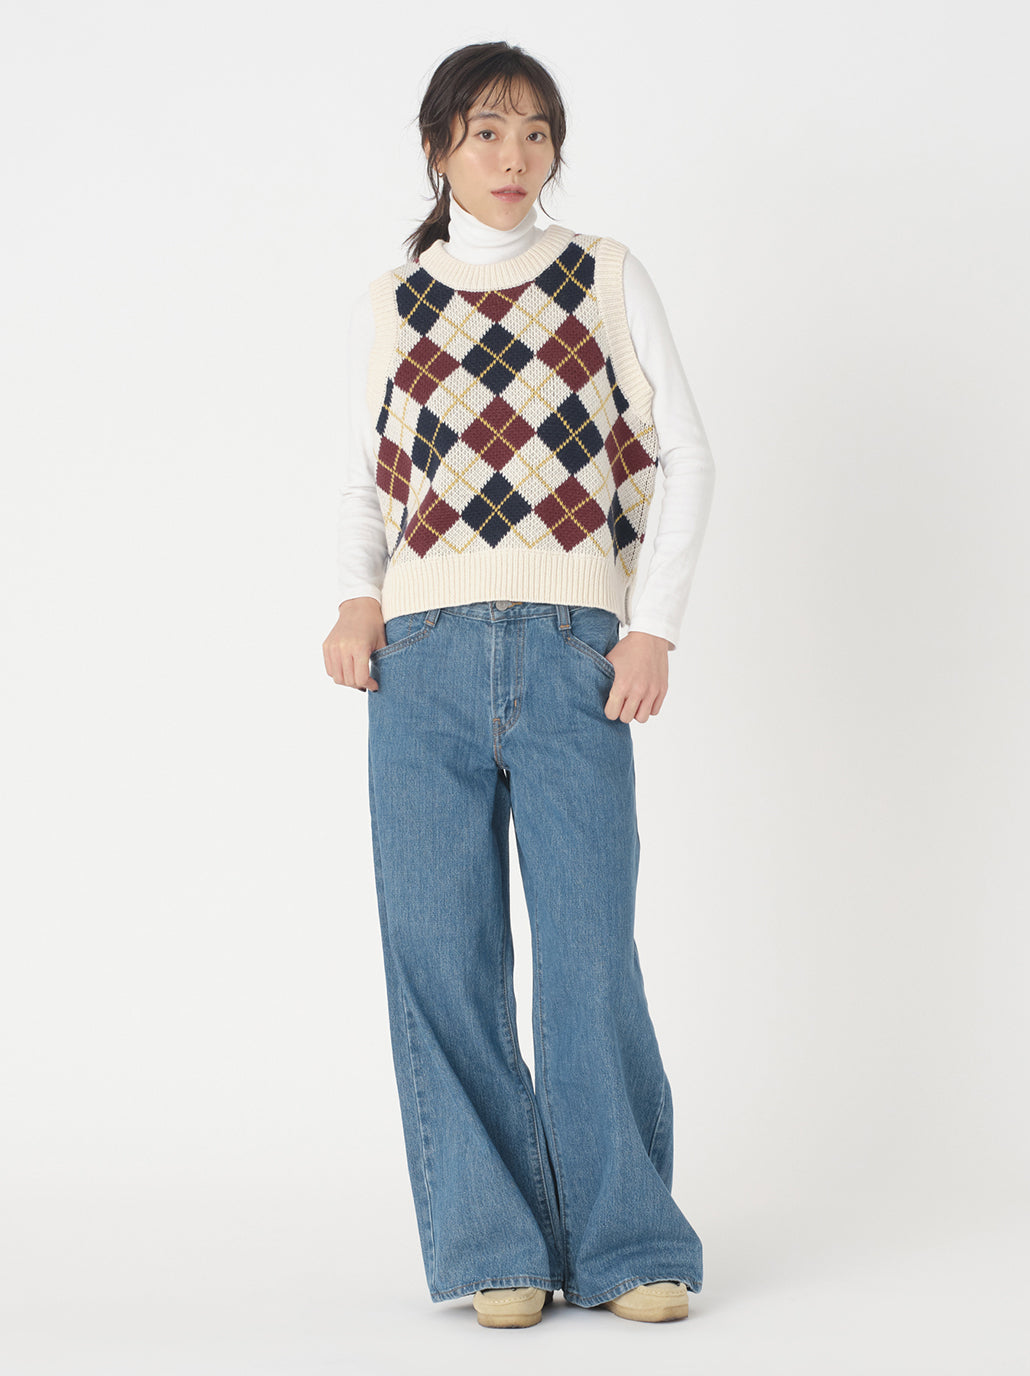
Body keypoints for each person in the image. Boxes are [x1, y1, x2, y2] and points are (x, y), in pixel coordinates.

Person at [322, 41, 716, 1329]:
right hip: (420, 660)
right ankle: (493, 1245)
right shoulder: (395, 298)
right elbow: (359, 477)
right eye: (487, 131)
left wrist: (651, 628)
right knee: (440, 952)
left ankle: (627, 1240)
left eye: (537, 132)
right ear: (439, 147)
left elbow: (684, 454)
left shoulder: (602, 275)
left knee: (589, 951)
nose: (514, 156)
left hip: (571, 652)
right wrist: (356, 600)